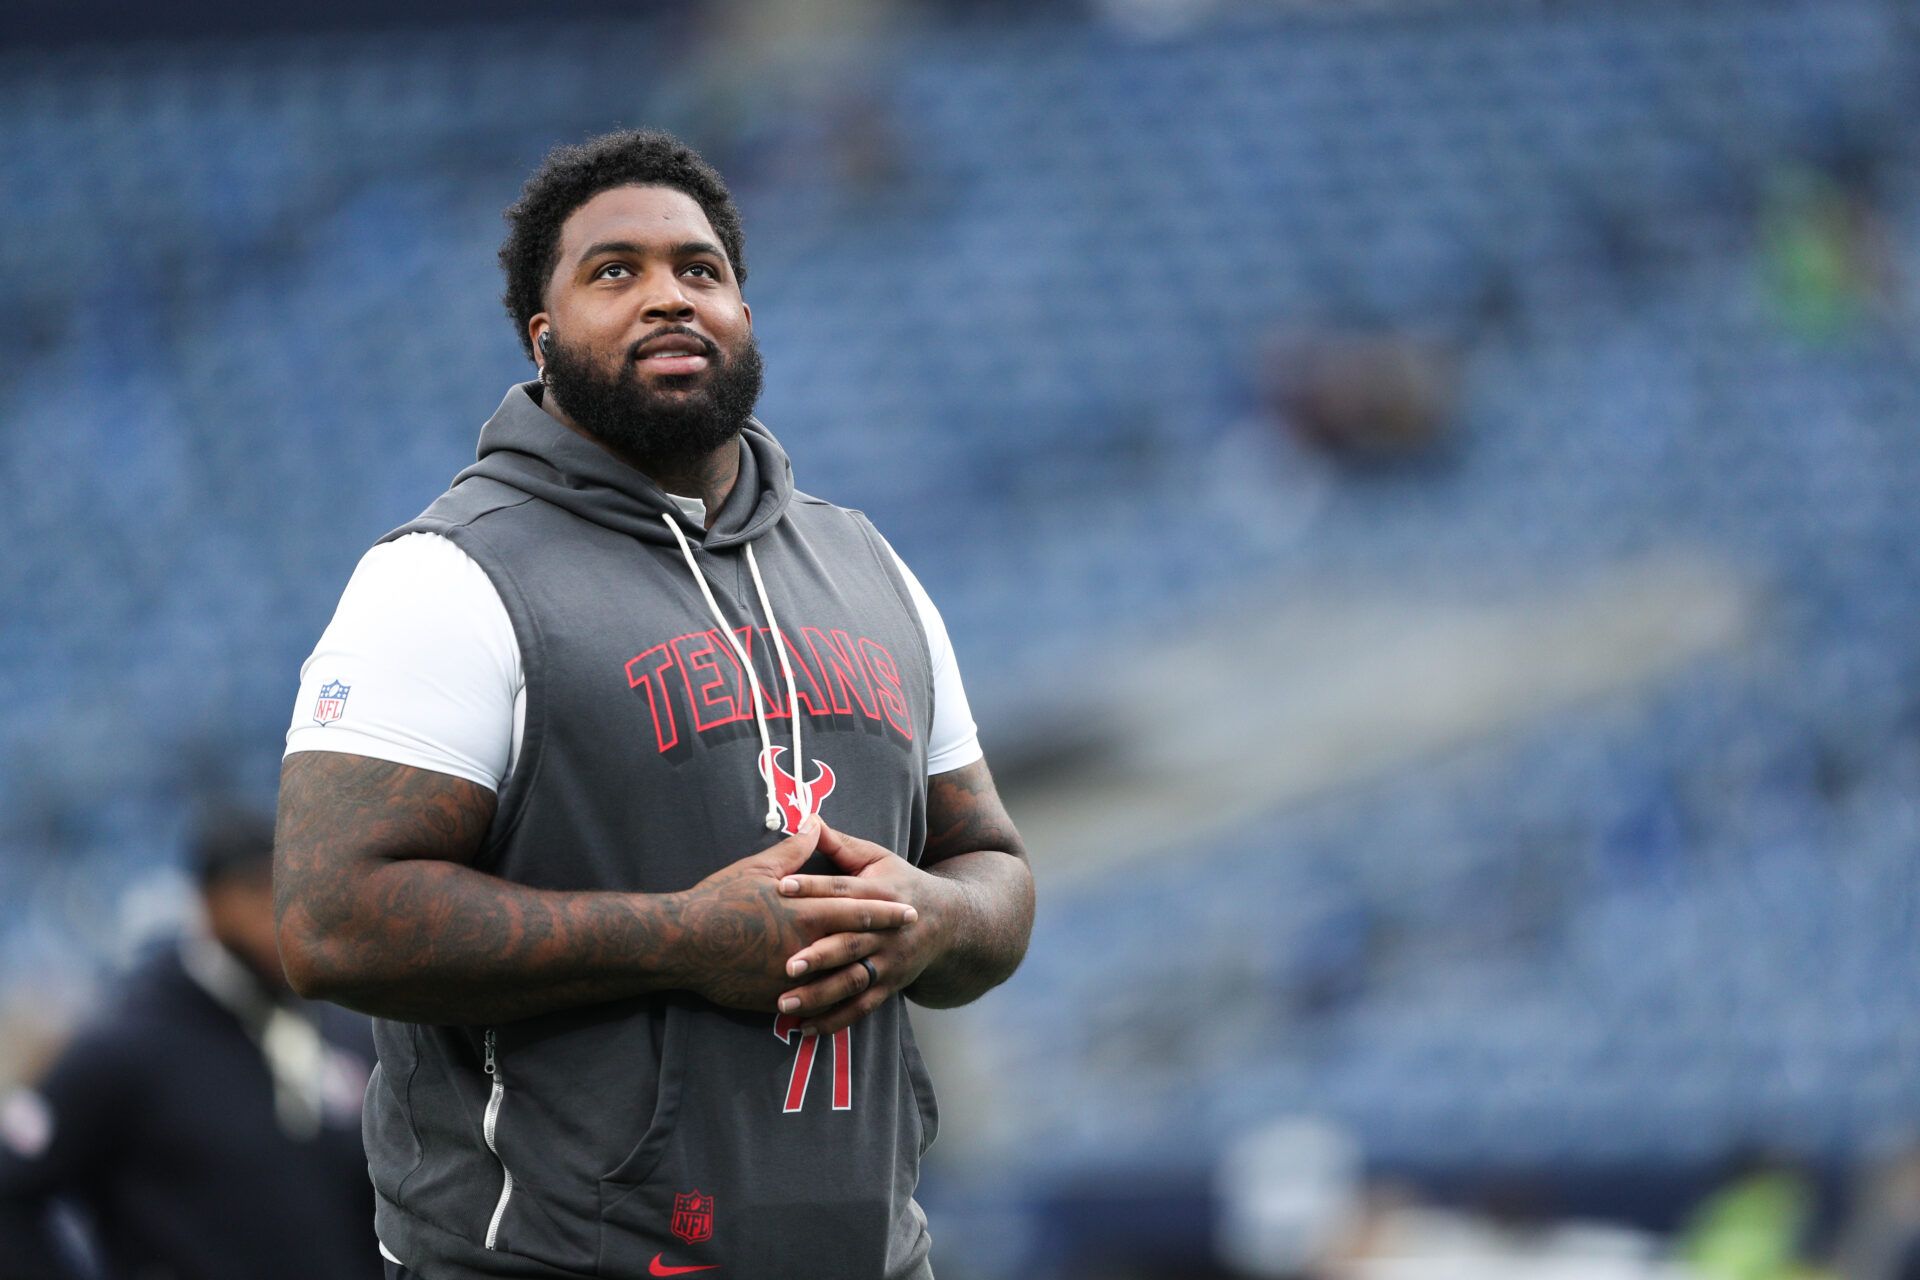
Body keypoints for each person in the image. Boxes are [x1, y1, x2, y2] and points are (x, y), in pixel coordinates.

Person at [274, 128, 1035, 1280]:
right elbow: (331, 920)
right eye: (613, 271)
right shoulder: (447, 575)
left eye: (700, 269)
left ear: (743, 310)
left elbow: (997, 871)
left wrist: (930, 914)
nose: (668, 297)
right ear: (543, 337)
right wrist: (685, 938)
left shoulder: (867, 565)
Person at [0, 808, 379, 1280]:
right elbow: (11, 1192)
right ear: (208, 902)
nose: (283, 913)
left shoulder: (343, 1029)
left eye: (296, 889)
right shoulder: (128, 1044)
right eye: (259, 890)